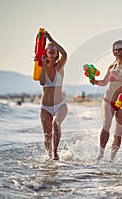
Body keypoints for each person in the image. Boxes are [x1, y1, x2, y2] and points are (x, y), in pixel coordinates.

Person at [90, 40, 122, 162]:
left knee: (118, 133)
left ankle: (111, 160)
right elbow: (104, 82)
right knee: (106, 124)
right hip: (108, 99)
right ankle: (100, 155)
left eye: (120, 49)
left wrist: (117, 77)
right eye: (115, 49)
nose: (117, 51)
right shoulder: (111, 66)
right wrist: (95, 81)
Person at [39, 31, 68, 160]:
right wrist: (44, 65)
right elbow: (41, 82)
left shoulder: (59, 66)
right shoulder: (42, 67)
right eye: (49, 48)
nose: (52, 49)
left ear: (56, 54)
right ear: (45, 53)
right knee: (47, 135)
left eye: (54, 49)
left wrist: (51, 39)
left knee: (56, 125)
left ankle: (55, 153)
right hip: (45, 106)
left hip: (60, 105)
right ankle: (49, 156)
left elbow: (65, 54)